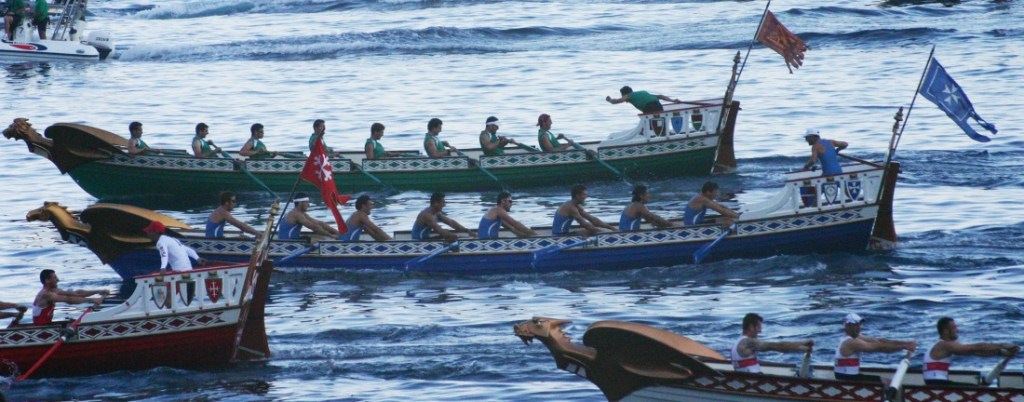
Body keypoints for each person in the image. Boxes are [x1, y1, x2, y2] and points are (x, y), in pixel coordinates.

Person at [923, 316, 1021, 385]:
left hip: (936, 383)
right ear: (945, 331)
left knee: (978, 387)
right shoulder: (945, 345)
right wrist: (1004, 345)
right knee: (978, 389)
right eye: (954, 328)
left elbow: (978, 352)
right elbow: (977, 347)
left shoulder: (942, 345)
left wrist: (1001, 353)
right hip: (937, 384)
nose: (957, 330)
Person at [833, 313, 916, 382]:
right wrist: (903, 347)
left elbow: (878, 341)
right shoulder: (850, 342)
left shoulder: (855, 337)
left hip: (851, 377)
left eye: (859, 324)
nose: (858, 327)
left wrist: (906, 343)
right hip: (846, 380)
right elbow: (879, 348)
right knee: (888, 383)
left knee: (888, 381)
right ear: (847, 326)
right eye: (855, 325)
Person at [731, 313, 814, 373]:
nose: (760, 331)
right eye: (759, 327)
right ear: (751, 327)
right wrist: (800, 346)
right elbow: (775, 346)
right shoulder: (747, 342)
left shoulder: (739, 341)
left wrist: (800, 345)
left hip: (750, 378)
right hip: (752, 381)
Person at [32, 269, 108, 325]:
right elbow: (69, 300)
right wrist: (92, 300)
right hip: (42, 330)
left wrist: (98, 291)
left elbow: (76, 293)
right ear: (47, 280)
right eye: (55, 278)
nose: (58, 280)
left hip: (48, 327)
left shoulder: (54, 290)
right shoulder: (45, 294)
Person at [605, 86, 681, 114]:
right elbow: (660, 96)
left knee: (649, 123)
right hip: (658, 105)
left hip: (649, 107)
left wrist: (610, 100)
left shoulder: (628, 95)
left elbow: (618, 101)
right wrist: (673, 100)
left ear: (624, 94)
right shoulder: (643, 92)